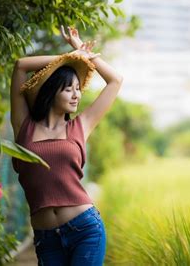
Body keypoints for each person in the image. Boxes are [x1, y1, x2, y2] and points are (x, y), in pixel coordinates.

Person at [10, 25, 123, 265]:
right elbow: (20, 65)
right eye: (68, 89)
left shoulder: (80, 126)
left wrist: (82, 54)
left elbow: (115, 81)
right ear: (51, 91)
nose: (76, 95)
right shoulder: (24, 127)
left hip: (85, 230)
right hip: (46, 239)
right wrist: (68, 59)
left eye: (78, 89)